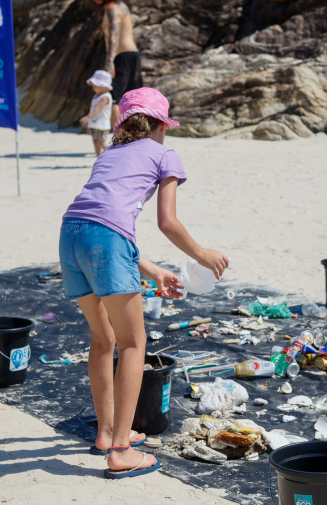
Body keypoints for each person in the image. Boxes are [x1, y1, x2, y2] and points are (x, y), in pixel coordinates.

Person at [59, 87, 230, 478]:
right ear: (158, 125)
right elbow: (165, 222)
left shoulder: (110, 153)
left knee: (103, 339)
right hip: (105, 239)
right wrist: (202, 254)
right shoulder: (163, 153)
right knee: (135, 343)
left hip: (70, 234)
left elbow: (101, 219)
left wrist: (152, 271)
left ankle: (106, 433)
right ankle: (120, 451)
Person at [80, 0, 143, 129]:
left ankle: (120, 138)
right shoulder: (121, 5)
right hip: (133, 55)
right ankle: (135, 136)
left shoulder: (111, 8)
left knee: (113, 96)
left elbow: (114, 36)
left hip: (122, 57)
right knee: (134, 97)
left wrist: (110, 62)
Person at [80, 70, 113, 156]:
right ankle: (98, 156)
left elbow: (98, 109)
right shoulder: (96, 96)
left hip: (102, 124)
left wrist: (88, 117)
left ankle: (113, 154)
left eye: (95, 86)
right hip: (95, 123)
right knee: (95, 140)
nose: (93, 88)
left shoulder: (105, 97)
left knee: (101, 142)